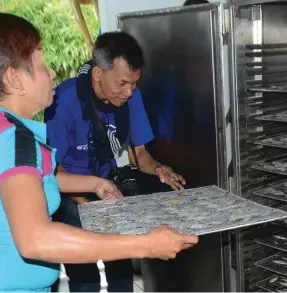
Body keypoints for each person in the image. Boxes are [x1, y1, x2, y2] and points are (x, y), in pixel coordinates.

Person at [0, 12, 198, 293]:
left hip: (97, 194)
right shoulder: (23, 134)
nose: (51, 72)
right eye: (41, 65)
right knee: (85, 278)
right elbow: (37, 239)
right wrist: (146, 243)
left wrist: (98, 183)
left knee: (119, 271)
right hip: (11, 281)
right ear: (14, 79)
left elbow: (38, 178)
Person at [44, 31, 188, 291]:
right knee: (83, 276)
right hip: (69, 195)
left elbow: (139, 154)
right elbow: (53, 169)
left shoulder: (131, 97)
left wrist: (158, 168)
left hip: (108, 189)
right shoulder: (63, 101)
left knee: (121, 271)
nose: (129, 91)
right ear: (98, 73)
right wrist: (85, 202)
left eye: (134, 83)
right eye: (122, 83)